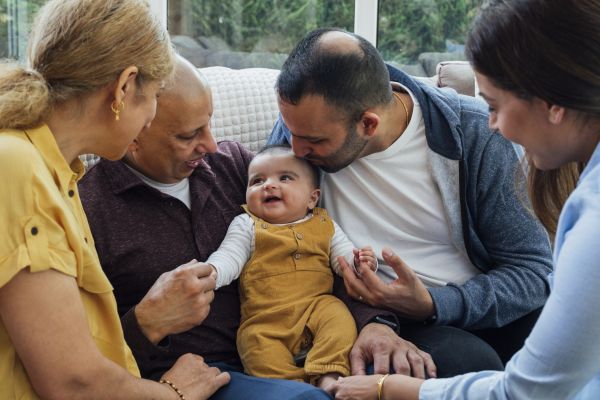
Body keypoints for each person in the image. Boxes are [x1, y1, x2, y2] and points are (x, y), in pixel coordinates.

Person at [326, 0, 600, 398]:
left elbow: (526, 393)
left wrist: (394, 388)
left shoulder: (592, 222)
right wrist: (376, 318)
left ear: (552, 105)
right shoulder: (300, 143)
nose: (492, 123)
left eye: (493, 105)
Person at [268, 26, 554, 371]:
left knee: (564, 334)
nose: (295, 151)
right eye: (291, 132)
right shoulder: (296, 134)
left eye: (313, 140)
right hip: (380, 318)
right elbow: (276, 247)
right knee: (469, 362)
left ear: (368, 124)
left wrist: (435, 303)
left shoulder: (475, 133)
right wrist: (374, 319)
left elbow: (532, 270)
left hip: (466, 300)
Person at [0, 0, 231, 399]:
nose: (151, 114)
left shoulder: (58, 170)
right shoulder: (17, 166)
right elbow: (73, 383)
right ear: (124, 88)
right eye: (156, 94)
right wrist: (175, 395)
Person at [79, 56, 336, 399]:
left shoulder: (238, 167)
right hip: (200, 375)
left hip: (303, 336)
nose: (211, 144)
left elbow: (322, 237)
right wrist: (147, 322)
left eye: (209, 123)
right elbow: (77, 361)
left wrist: (374, 324)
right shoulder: (90, 208)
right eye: (189, 135)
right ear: (133, 135)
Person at [205, 144, 376, 388]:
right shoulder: (246, 225)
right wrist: (212, 273)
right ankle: (295, 387)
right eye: (257, 181)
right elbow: (229, 256)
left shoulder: (324, 223)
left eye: (285, 178)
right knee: (253, 345)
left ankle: (328, 373)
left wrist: (361, 263)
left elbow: (344, 260)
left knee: (338, 317)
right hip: (265, 320)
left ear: (312, 198)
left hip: (315, 308)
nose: (269, 185)